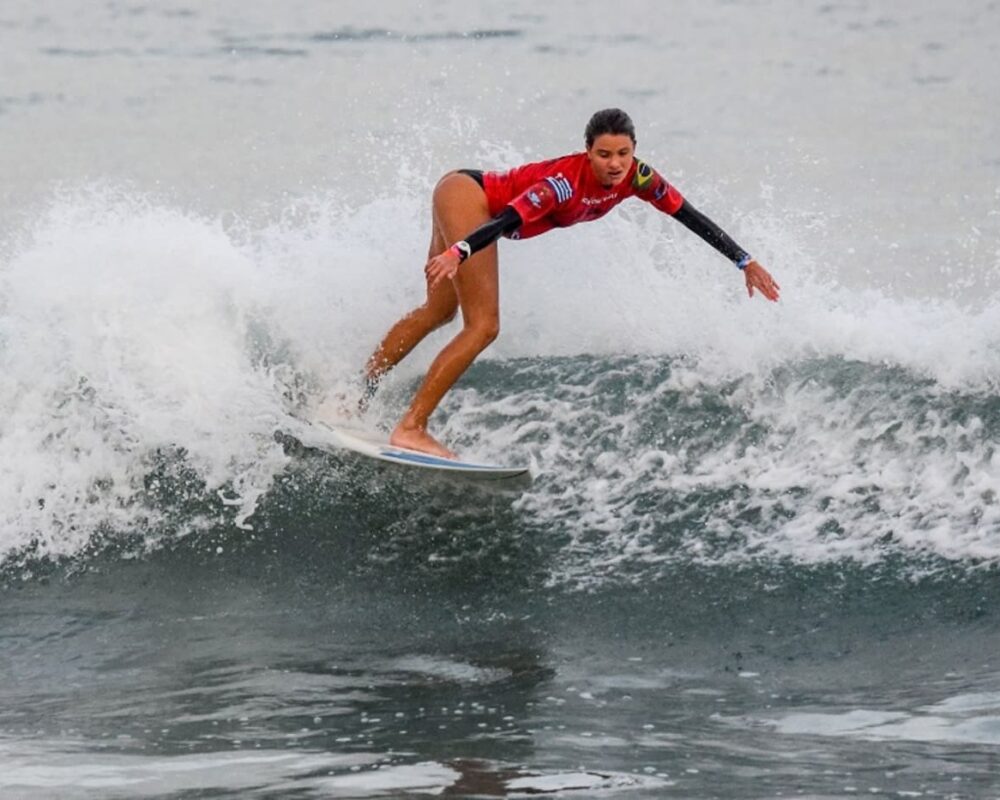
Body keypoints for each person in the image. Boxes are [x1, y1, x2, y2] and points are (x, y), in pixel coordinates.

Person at [362, 108, 780, 458]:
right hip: (469, 199)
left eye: (623, 153)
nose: (614, 164)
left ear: (634, 151)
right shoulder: (561, 184)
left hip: (458, 191)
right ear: (588, 152)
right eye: (603, 154)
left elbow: (689, 215)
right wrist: (460, 252)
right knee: (484, 325)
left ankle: (358, 394)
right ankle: (412, 426)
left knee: (439, 311)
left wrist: (744, 261)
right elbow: (507, 219)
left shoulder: (638, 178)